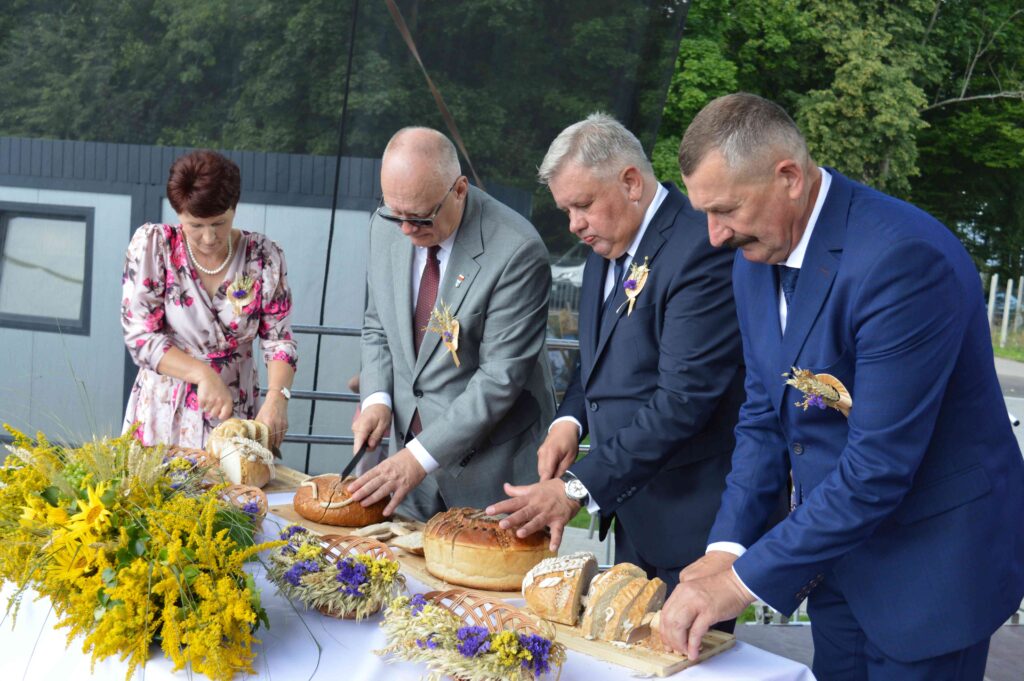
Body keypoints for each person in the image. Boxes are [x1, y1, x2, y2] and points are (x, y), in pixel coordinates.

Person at [660, 93, 1024, 680]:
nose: (713, 235)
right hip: (839, 563)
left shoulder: (903, 260)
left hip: (931, 570)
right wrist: (726, 549)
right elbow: (762, 416)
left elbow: (879, 464)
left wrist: (740, 582)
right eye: (704, 212)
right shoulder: (752, 256)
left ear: (789, 178)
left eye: (724, 209)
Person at [486, 113, 746, 600]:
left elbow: (683, 399)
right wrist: (570, 421)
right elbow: (598, 357)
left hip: (690, 519)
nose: (574, 225)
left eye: (582, 205)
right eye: (566, 210)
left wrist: (574, 488)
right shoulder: (603, 250)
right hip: (634, 508)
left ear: (630, 182)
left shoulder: (698, 248)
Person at [348, 127, 555, 520]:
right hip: (408, 465)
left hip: (493, 474)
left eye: (421, 218)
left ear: (459, 189)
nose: (406, 230)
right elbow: (377, 325)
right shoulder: (383, 225)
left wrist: (419, 456)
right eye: (397, 214)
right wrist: (377, 399)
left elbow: (499, 379)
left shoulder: (517, 250)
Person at [122, 150, 297, 448]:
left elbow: (279, 340)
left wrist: (277, 397)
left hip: (236, 412)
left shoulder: (263, 256)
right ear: (179, 215)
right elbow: (140, 337)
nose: (208, 237)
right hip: (163, 412)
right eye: (195, 225)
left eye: (218, 223)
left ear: (234, 207)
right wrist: (202, 374)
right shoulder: (154, 247)